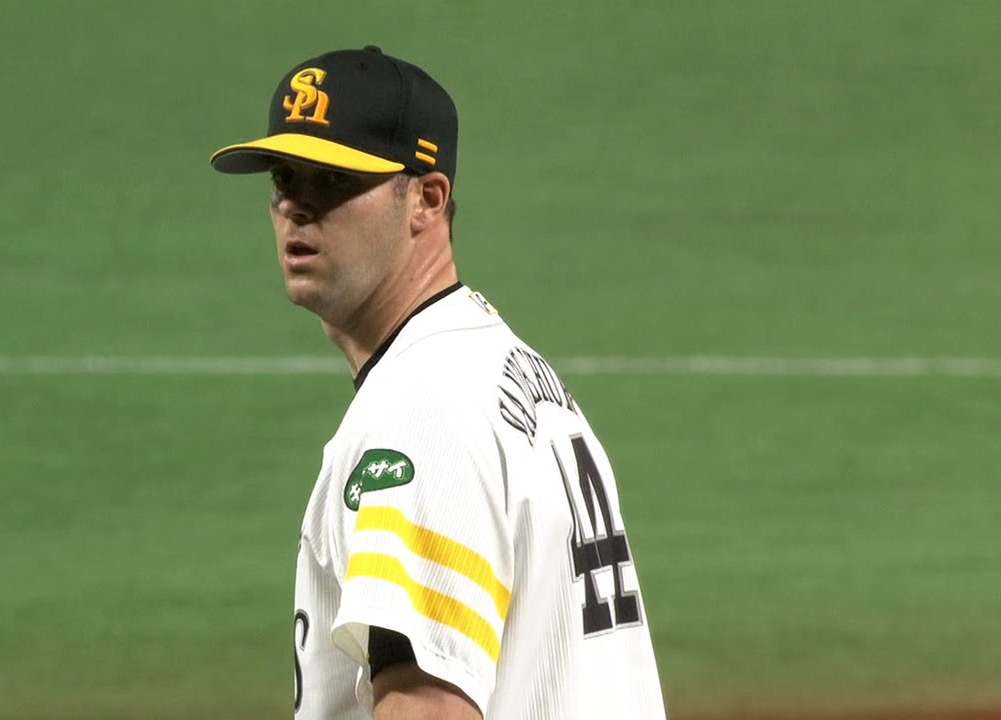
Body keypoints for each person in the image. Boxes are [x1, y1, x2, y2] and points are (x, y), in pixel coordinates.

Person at [210, 46, 666, 720]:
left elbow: (429, 707)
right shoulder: (503, 369)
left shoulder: (421, 409)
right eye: (284, 178)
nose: (296, 208)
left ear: (427, 199)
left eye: (333, 180)